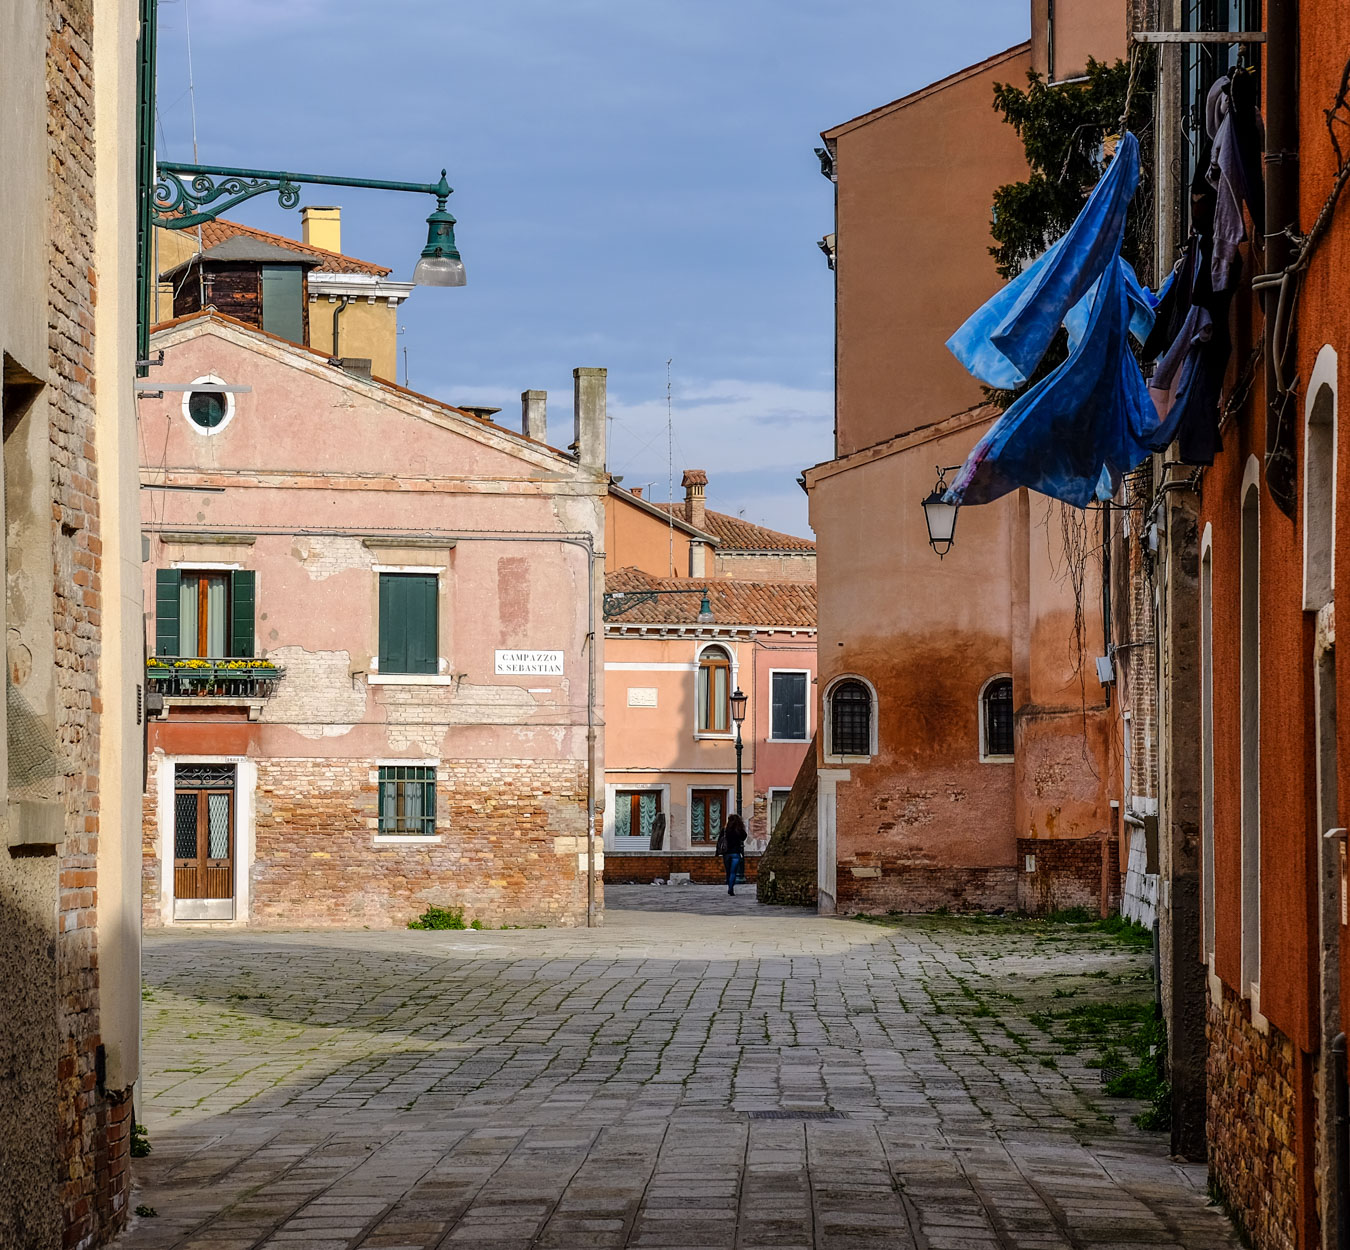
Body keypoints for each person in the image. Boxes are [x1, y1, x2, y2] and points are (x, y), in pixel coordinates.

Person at [718, 813, 747, 896]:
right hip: (736, 853)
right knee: (733, 872)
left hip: (726, 853)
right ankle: (731, 888)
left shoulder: (725, 830)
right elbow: (744, 837)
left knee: (728, 871)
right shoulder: (739, 830)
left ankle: (729, 885)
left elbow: (720, 840)